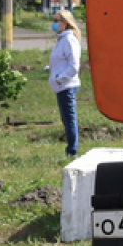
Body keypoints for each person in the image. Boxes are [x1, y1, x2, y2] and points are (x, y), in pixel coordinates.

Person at [48, 9, 82, 158]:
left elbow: (74, 66)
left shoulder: (69, 40)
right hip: (61, 85)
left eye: (57, 21)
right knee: (66, 119)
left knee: (69, 119)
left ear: (65, 23)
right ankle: (71, 149)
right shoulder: (61, 39)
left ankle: (72, 151)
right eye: (54, 20)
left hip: (66, 85)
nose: (54, 24)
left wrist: (60, 78)